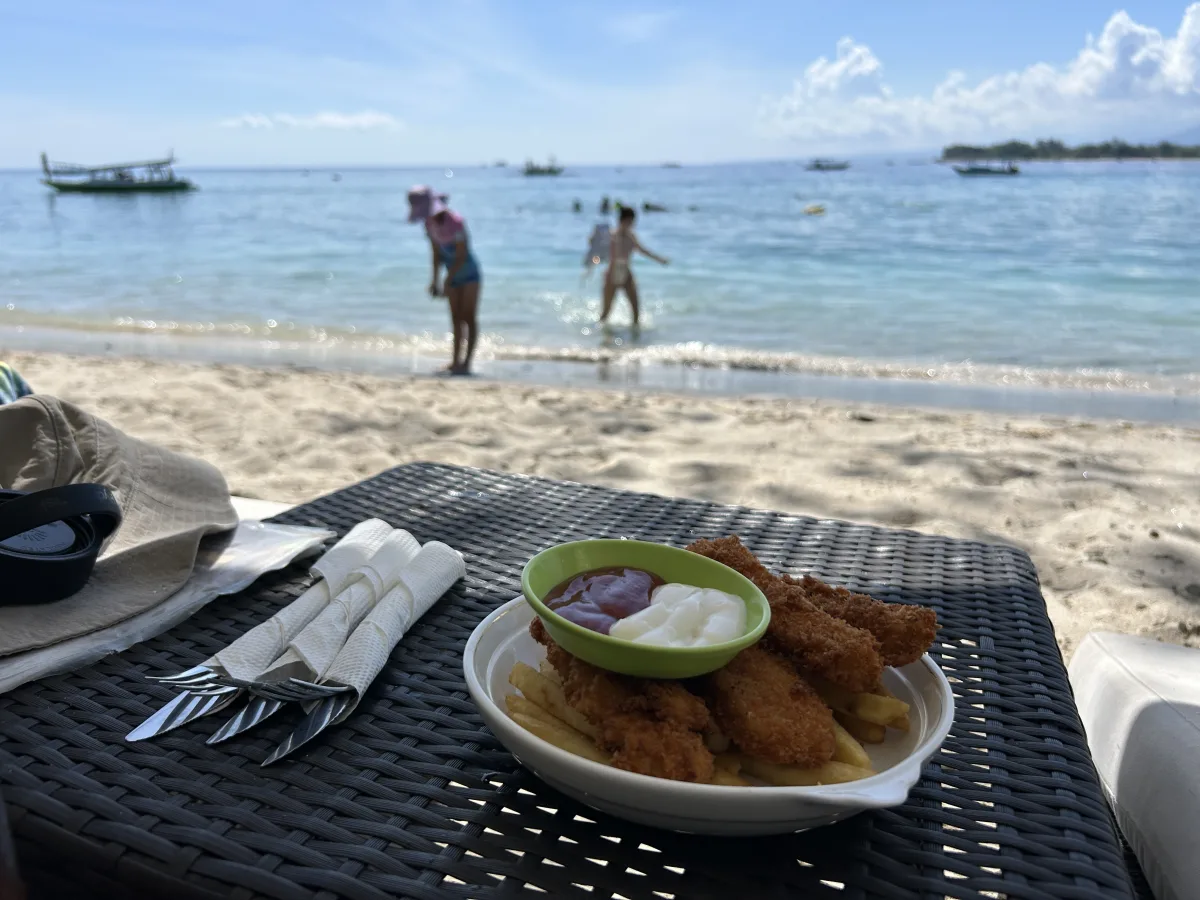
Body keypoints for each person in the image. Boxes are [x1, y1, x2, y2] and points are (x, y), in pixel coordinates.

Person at [407, 186, 482, 375]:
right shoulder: (428, 225)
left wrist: (448, 279)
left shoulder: (455, 222)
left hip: (469, 274)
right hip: (451, 275)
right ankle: (455, 362)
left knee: (468, 318)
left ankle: (466, 364)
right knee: (455, 319)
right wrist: (435, 280)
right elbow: (436, 254)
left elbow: (462, 254)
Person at [601, 206, 668, 328]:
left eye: (632, 222)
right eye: (629, 221)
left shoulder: (631, 236)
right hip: (612, 274)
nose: (631, 224)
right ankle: (600, 335)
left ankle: (635, 337)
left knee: (636, 311)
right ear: (622, 220)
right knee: (606, 312)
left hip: (626, 273)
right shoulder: (612, 235)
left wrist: (659, 259)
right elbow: (598, 250)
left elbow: (642, 250)